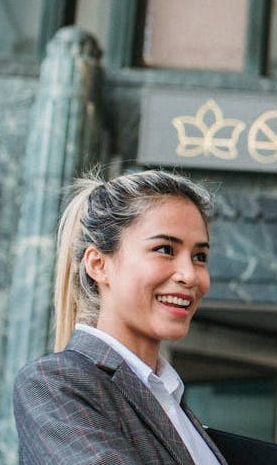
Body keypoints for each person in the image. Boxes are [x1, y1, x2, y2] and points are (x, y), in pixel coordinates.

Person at [13, 170, 226, 465]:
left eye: (199, 256)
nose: (190, 275)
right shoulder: (56, 383)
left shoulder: (169, 400)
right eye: (165, 249)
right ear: (98, 265)